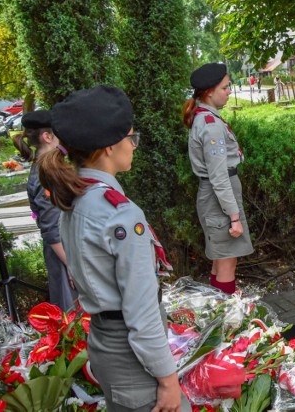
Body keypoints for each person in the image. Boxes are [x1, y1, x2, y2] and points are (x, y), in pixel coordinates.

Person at [37, 85, 185, 411]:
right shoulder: (118, 213)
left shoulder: (75, 199)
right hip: (130, 354)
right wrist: (168, 380)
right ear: (108, 148)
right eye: (131, 138)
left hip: (104, 342)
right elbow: (142, 312)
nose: (133, 146)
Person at [183, 63, 254, 295]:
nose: (229, 91)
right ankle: (226, 322)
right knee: (226, 262)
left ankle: (218, 316)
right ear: (209, 92)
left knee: (220, 260)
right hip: (220, 197)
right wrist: (234, 217)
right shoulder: (211, 125)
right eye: (225, 87)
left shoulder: (205, 118)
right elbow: (219, 176)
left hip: (217, 196)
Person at [12, 111, 77, 311]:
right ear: (48, 137)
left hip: (69, 250)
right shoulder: (43, 176)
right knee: (74, 319)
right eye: (58, 136)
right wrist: (72, 266)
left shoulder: (48, 170)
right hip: (64, 255)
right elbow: (51, 230)